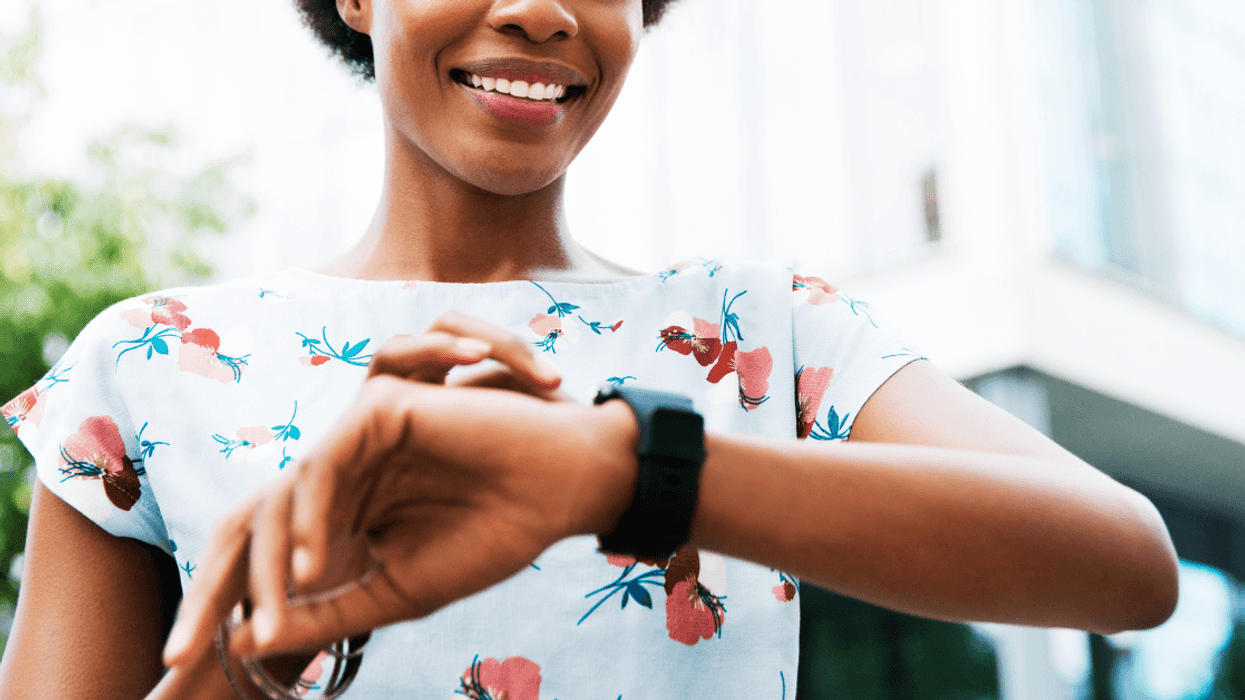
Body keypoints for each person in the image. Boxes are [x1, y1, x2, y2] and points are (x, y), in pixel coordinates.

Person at [0, 0, 1179, 698]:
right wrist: (277, 639)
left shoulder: (763, 331)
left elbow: (1128, 564)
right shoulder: (149, 366)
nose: (541, 7)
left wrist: (620, 470)